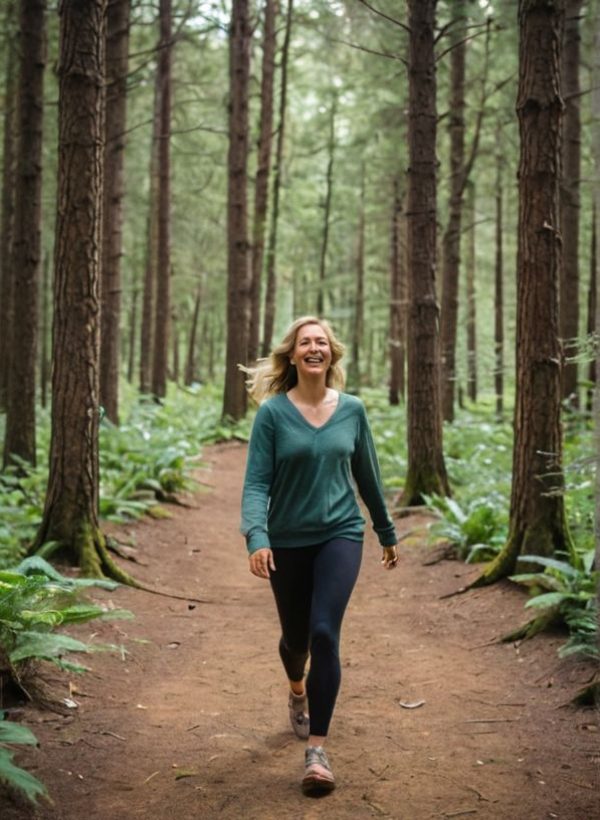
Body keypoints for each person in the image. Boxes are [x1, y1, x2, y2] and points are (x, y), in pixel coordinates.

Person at [240, 316, 398, 796]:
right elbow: (256, 484)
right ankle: (296, 688)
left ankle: (317, 750)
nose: (314, 348)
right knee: (296, 641)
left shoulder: (352, 410)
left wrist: (385, 530)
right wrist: (257, 536)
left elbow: (367, 475)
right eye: (305, 342)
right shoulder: (272, 415)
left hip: (340, 533)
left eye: (322, 342)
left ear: (332, 354)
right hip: (286, 540)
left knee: (325, 633)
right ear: (292, 355)